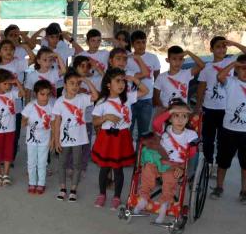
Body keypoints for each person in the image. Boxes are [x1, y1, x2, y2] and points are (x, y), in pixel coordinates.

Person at [134, 100, 198, 223]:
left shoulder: (191, 134)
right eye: (176, 116)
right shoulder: (165, 129)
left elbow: (192, 155)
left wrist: (183, 169)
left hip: (177, 165)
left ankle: (164, 205)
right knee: (147, 169)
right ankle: (144, 198)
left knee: (170, 177)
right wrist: (170, 111)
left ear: (187, 119)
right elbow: (156, 122)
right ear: (170, 118)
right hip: (160, 161)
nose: (180, 120)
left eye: (184, 116)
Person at [92, 68, 147, 209]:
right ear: (108, 84)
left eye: (123, 80)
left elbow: (145, 91)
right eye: (117, 80)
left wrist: (135, 80)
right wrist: (106, 117)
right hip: (106, 138)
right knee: (104, 168)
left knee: (118, 169)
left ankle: (117, 197)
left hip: (122, 137)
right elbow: (95, 122)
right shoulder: (101, 101)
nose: (121, 84)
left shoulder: (127, 98)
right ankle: (102, 194)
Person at [195, 37, 246, 176]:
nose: (221, 49)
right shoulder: (206, 68)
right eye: (218, 46)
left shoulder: (230, 61)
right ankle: (208, 164)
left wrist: (234, 43)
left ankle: (218, 166)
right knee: (208, 139)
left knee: (222, 141)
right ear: (211, 49)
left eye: (224, 47)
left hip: (226, 110)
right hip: (209, 108)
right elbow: (201, 87)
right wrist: (197, 107)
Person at [51, 69, 99, 202]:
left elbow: (95, 96)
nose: (75, 86)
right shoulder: (59, 101)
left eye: (77, 84)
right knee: (62, 164)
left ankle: (73, 189)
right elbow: (57, 122)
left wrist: (86, 81)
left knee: (77, 164)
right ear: (65, 85)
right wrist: (56, 140)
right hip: (64, 139)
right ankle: (62, 188)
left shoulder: (82, 98)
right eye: (71, 83)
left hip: (79, 139)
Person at [212, 54, 246, 202]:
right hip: (228, 130)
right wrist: (234, 64)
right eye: (243, 68)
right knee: (223, 162)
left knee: (245, 165)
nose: (245, 72)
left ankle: (244, 191)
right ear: (237, 70)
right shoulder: (231, 82)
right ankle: (219, 187)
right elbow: (220, 75)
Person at [0, 68, 25, 186]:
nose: (8, 86)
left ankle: (6, 173)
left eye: (9, 83)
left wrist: (16, 81)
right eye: (5, 84)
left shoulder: (12, 93)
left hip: (10, 129)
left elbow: (23, 93)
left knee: (9, 151)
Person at [126, 30, 161, 142]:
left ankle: (140, 157)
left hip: (146, 100)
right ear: (132, 44)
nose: (141, 45)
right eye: (138, 43)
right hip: (130, 100)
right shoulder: (127, 59)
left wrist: (156, 97)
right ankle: (128, 157)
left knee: (144, 132)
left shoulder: (153, 58)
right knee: (127, 130)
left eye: (143, 42)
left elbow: (157, 79)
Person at [22, 79, 54, 195]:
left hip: (45, 140)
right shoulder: (31, 105)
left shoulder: (51, 107)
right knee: (31, 162)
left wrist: (53, 139)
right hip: (31, 140)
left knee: (42, 162)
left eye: (47, 94)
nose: (45, 97)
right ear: (36, 94)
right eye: (42, 94)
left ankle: (41, 183)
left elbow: (54, 124)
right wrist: (25, 121)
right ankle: (32, 182)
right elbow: (23, 119)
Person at [154, 45, 205, 111]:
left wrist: (188, 53)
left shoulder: (186, 73)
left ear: (183, 60)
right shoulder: (161, 77)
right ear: (167, 60)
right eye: (174, 59)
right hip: (166, 112)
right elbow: (156, 96)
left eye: (180, 59)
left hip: (182, 112)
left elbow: (202, 65)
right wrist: (163, 110)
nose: (177, 62)